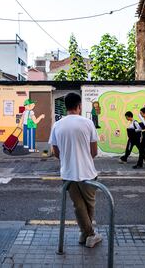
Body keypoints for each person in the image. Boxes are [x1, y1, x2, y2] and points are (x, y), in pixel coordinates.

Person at [48, 92, 103, 248]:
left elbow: (56, 152)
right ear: (79, 106)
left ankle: (84, 233)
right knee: (89, 205)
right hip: (87, 172)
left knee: (78, 206)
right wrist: (83, 159)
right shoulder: (88, 123)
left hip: (68, 173)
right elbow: (94, 152)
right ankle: (90, 235)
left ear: (66, 107)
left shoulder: (57, 125)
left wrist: (68, 160)